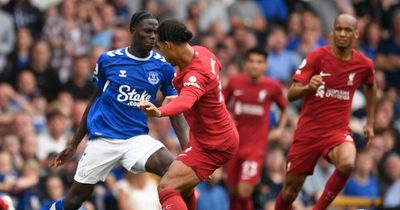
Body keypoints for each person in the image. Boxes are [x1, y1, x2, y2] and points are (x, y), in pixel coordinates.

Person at [48, 11, 187, 210]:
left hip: (136, 139)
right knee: (74, 201)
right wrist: (73, 144)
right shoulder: (108, 60)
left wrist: (187, 149)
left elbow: (174, 107)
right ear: (133, 30)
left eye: (156, 32)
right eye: (147, 31)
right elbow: (94, 100)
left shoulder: (163, 66)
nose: (152, 36)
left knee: (175, 171)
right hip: (103, 139)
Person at [275, 14, 376, 210]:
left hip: (337, 132)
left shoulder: (364, 64)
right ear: (332, 31)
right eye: (338, 29)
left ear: (356, 34)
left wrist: (370, 122)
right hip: (308, 133)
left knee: (347, 162)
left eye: (347, 30)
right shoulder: (317, 57)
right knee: (289, 193)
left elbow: (372, 86)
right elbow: (291, 94)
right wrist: (307, 88)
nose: (342, 34)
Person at [139, 19, 239, 210]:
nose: (160, 52)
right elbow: (215, 69)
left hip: (214, 143)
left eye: (160, 48)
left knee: (167, 187)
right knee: (183, 189)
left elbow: (186, 101)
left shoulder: (196, 74)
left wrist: (160, 111)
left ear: (168, 46)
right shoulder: (203, 52)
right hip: (210, 137)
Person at [223, 47, 288, 210]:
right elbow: (220, 103)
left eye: (259, 62)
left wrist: (280, 128)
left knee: (244, 190)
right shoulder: (234, 82)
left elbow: (284, 107)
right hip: (234, 146)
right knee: (232, 190)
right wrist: (228, 115)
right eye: (251, 61)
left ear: (265, 65)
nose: (255, 65)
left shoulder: (272, 86)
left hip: (256, 147)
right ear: (245, 63)